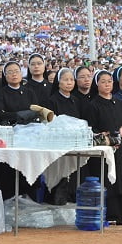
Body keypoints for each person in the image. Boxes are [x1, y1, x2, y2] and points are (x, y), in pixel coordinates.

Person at [83, 70, 122, 225]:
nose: (107, 84)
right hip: (103, 150)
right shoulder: (93, 105)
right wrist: (102, 135)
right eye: (103, 81)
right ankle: (110, 216)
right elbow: (90, 129)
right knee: (107, 182)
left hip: (120, 148)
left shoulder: (117, 101)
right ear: (97, 84)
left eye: (109, 81)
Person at [0, 61, 41, 199]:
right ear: (5, 76)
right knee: (9, 173)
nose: (14, 74)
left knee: (28, 172)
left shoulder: (29, 92)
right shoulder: (0, 93)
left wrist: (23, 115)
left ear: (22, 74)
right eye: (10, 72)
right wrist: (20, 115)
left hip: (29, 138)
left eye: (16, 71)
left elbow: (36, 112)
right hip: (10, 138)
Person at [46, 67, 81, 205]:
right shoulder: (52, 101)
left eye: (71, 80)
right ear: (58, 82)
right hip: (58, 144)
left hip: (74, 144)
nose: (69, 82)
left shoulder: (75, 100)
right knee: (58, 176)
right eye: (65, 79)